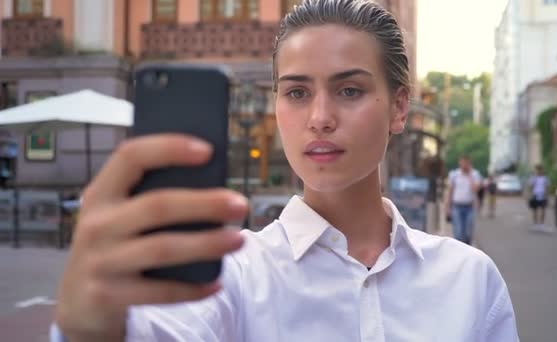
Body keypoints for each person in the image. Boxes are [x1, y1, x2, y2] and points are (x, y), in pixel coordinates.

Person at [52, 1, 518, 341]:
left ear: (399, 107)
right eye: (296, 93)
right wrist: (90, 327)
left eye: (350, 90)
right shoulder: (230, 277)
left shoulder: (469, 279)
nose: (319, 117)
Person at [445, 155, 482, 245]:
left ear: (469, 163)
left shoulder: (475, 174)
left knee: (468, 233)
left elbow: (475, 189)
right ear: (459, 163)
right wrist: (447, 207)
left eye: (466, 163)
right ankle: (459, 254)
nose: (464, 165)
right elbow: (450, 191)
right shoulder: (454, 174)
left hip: (469, 207)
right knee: (458, 233)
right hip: (456, 207)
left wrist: (469, 176)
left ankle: (467, 252)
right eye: (462, 162)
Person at [528, 165, 549, 231]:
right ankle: (535, 224)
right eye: (537, 170)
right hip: (535, 195)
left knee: (543, 210)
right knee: (535, 210)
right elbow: (530, 187)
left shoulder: (545, 178)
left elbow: (547, 187)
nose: (539, 171)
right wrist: (530, 195)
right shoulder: (533, 178)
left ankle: (541, 224)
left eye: (540, 170)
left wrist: (546, 195)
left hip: (542, 195)